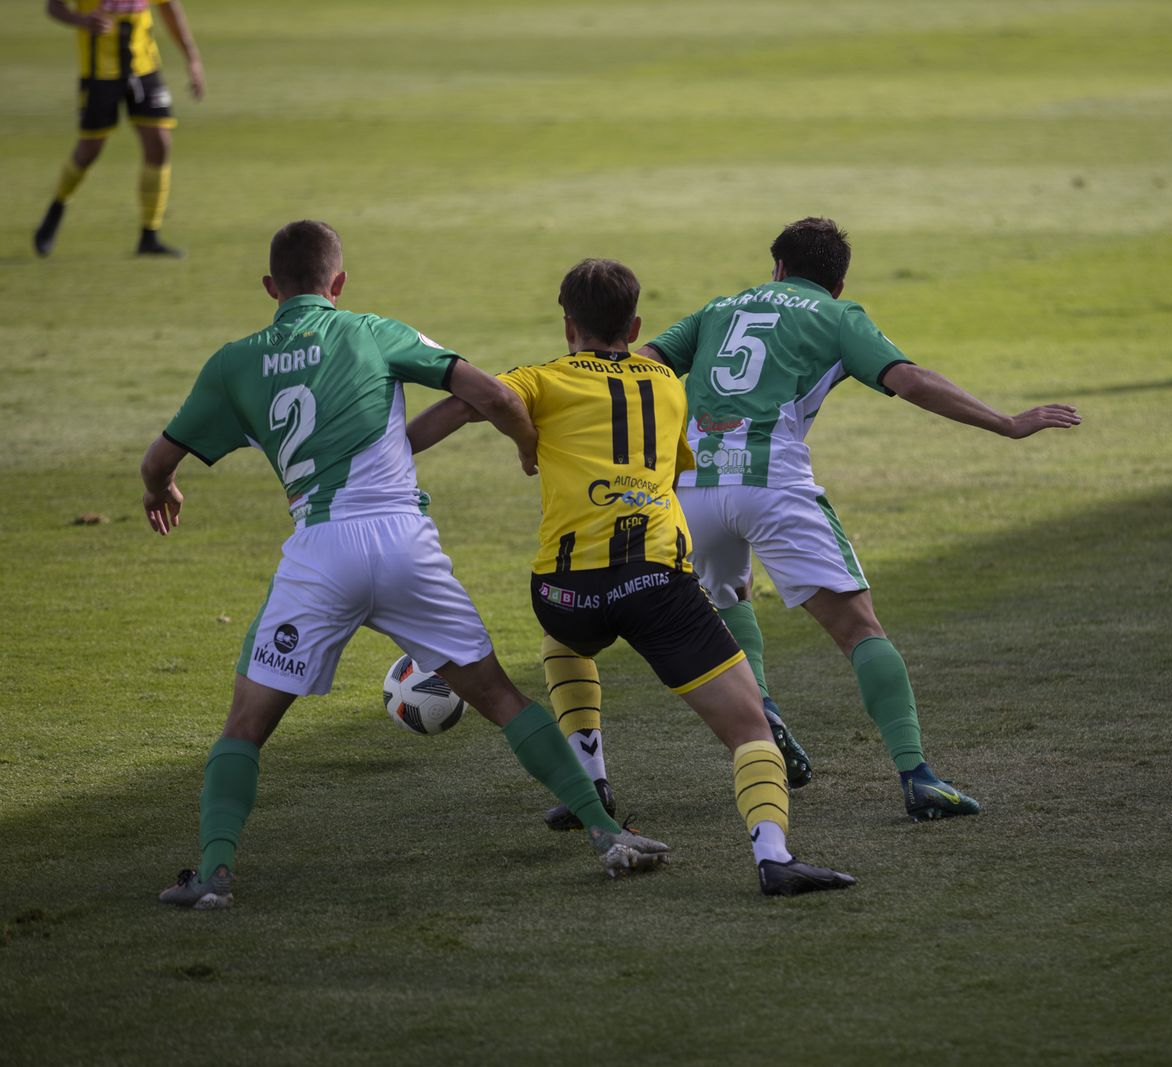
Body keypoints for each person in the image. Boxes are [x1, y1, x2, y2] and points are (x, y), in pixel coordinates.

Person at [141, 221, 668, 910]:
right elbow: (497, 396)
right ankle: (605, 831)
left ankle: (212, 875)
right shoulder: (375, 330)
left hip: (320, 550)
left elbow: (158, 460)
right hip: (403, 543)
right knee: (501, 698)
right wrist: (525, 446)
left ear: (272, 288)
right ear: (339, 283)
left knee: (245, 724)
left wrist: (161, 490)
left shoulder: (232, 363)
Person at [406, 258, 855, 897]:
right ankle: (773, 858)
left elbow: (469, 401)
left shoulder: (542, 378)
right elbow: (671, 473)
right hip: (656, 589)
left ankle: (590, 776)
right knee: (751, 729)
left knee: (564, 639)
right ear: (637, 323)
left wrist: (412, 452)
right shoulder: (668, 385)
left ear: (567, 325)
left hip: (565, 593)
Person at [629, 216, 1083, 821]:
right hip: (773, 483)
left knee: (728, 595)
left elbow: (638, 368)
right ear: (836, 283)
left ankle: (761, 708)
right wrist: (1005, 423)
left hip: (691, 487)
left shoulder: (717, 310)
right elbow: (910, 381)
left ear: (779, 267)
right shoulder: (838, 316)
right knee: (860, 630)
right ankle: (917, 776)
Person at [33, 0, 203, 258]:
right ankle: (57, 207)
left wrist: (192, 58)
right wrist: (82, 20)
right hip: (99, 71)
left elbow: (168, 7)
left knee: (160, 142)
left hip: (144, 65)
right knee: (90, 149)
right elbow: (54, 6)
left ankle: (150, 235)